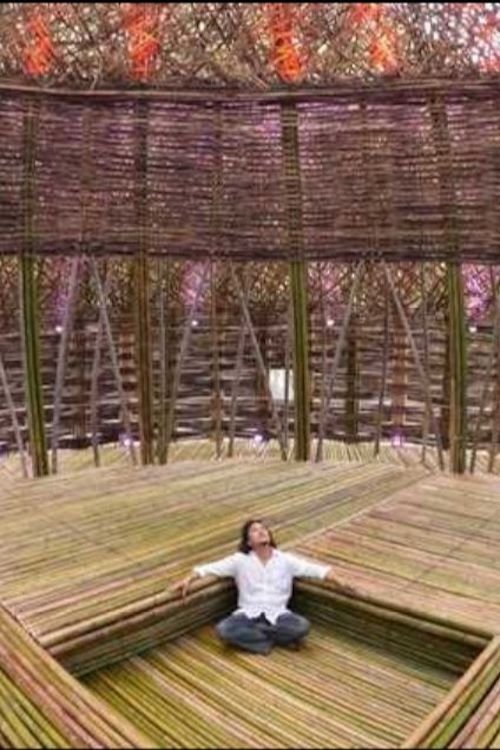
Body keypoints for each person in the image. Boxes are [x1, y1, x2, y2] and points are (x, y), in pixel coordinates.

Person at [172, 518, 358, 655]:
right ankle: (274, 641)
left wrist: (341, 581)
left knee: (302, 626)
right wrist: (187, 579)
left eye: (264, 529)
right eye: (255, 530)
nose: (261, 531)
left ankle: (258, 641)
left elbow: (319, 571)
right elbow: (205, 569)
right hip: (247, 614)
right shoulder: (239, 561)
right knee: (224, 630)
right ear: (248, 542)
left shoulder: (285, 560)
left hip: (278, 615)